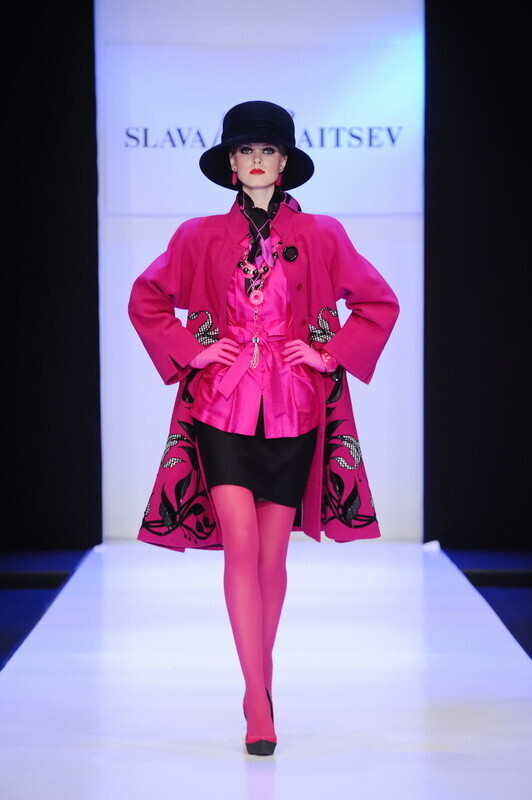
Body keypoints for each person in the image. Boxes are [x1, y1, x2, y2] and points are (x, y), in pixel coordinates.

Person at [128, 100, 400, 756]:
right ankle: (257, 699)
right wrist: (193, 351)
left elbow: (377, 301)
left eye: (268, 150)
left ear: (284, 163)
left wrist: (329, 354)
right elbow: (147, 297)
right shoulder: (198, 235)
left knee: (273, 557)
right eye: (246, 150)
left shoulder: (323, 234)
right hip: (220, 406)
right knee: (241, 544)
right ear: (230, 162)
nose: (256, 160)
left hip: (294, 406)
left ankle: (262, 681)